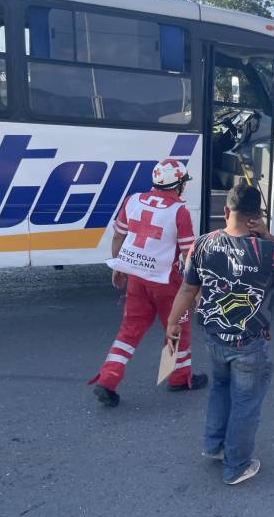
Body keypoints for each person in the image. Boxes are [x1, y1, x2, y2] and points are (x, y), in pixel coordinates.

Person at [166, 184, 274, 485]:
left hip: (214, 338)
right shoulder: (266, 251)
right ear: (257, 216)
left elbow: (188, 289)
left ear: (225, 211)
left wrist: (173, 322)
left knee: (219, 390)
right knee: (245, 402)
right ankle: (236, 465)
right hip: (249, 344)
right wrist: (267, 235)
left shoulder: (202, 244)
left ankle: (213, 445)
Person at [88, 159, 208, 407]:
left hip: (137, 278)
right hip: (167, 284)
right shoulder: (179, 211)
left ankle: (108, 379)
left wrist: (118, 265)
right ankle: (177, 377)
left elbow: (119, 235)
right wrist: (196, 290)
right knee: (176, 329)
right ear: (179, 186)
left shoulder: (132, 200)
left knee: (129, 331)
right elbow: (188, 254)